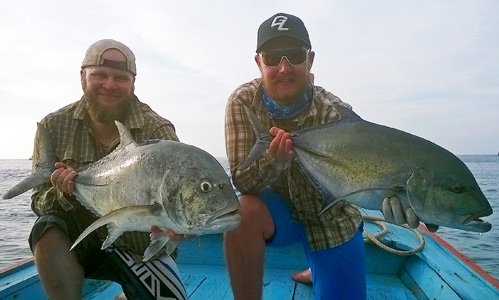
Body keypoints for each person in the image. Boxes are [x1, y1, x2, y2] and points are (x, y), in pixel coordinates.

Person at [224, 13, 422, 299]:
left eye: (294, 55)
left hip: (331, 219)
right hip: (278, 213)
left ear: (310, 60)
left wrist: (399, 200)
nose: (283, 68)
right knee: (242, 213)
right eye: (271, 57)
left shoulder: (336, 113)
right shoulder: (243, 102)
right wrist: (273, 161)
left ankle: (318, 267)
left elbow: (367, 177)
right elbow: (242, 180)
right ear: (258, 63)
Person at [29, 39, 188, 300]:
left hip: (139, 246)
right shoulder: (53, 126)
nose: (110, 85)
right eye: (100, 75)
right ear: (83, 77)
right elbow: (38, 202)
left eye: (120, 77)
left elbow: (178, 190)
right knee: (46, 227)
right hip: (80, 241)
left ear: (133, 82)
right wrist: (65, 191)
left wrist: (176, 224)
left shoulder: (157, 130)